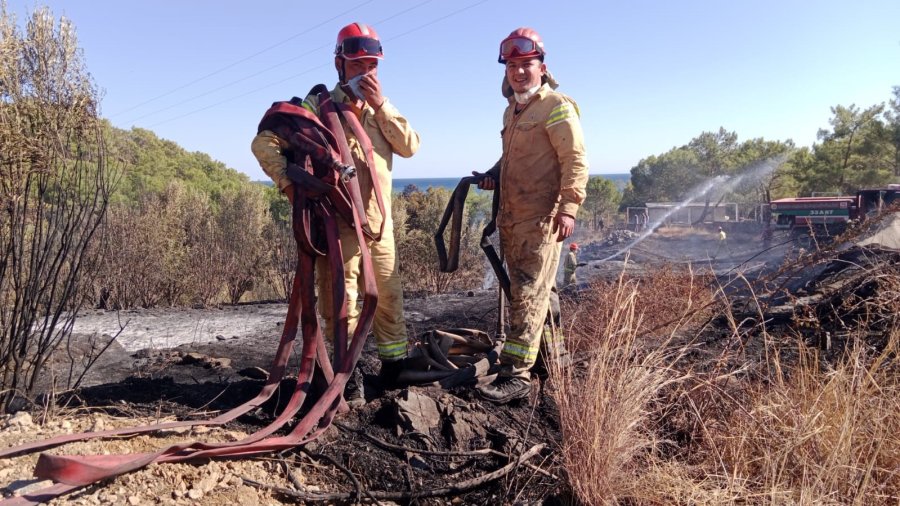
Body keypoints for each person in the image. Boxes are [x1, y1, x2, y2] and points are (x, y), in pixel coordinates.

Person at [251, 22, 420, 404]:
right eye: (357, 64)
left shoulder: (381, 112)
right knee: (341, 301)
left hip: (380, 226)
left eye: (372, 66)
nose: (365, 73)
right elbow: (264, 142)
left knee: (389, 296)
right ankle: (348, 373)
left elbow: (410, 146)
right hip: (339, 223)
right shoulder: (318, 108)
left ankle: (394, 366)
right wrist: (291, 184)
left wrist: (381, 105)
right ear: (339, 64)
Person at [472, 27, 589, 403]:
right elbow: (516, 158)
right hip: (513, 220)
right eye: (512, 65)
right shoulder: (514, 109)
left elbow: (574, 160)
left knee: (526, 295)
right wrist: (494, 174)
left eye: (526, 64)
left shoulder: (555, 106)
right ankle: (554, 360)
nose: (519, 72)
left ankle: (516, 374)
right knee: (543, 294)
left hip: (542, 221)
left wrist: (569, 207)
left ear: (542, 66)